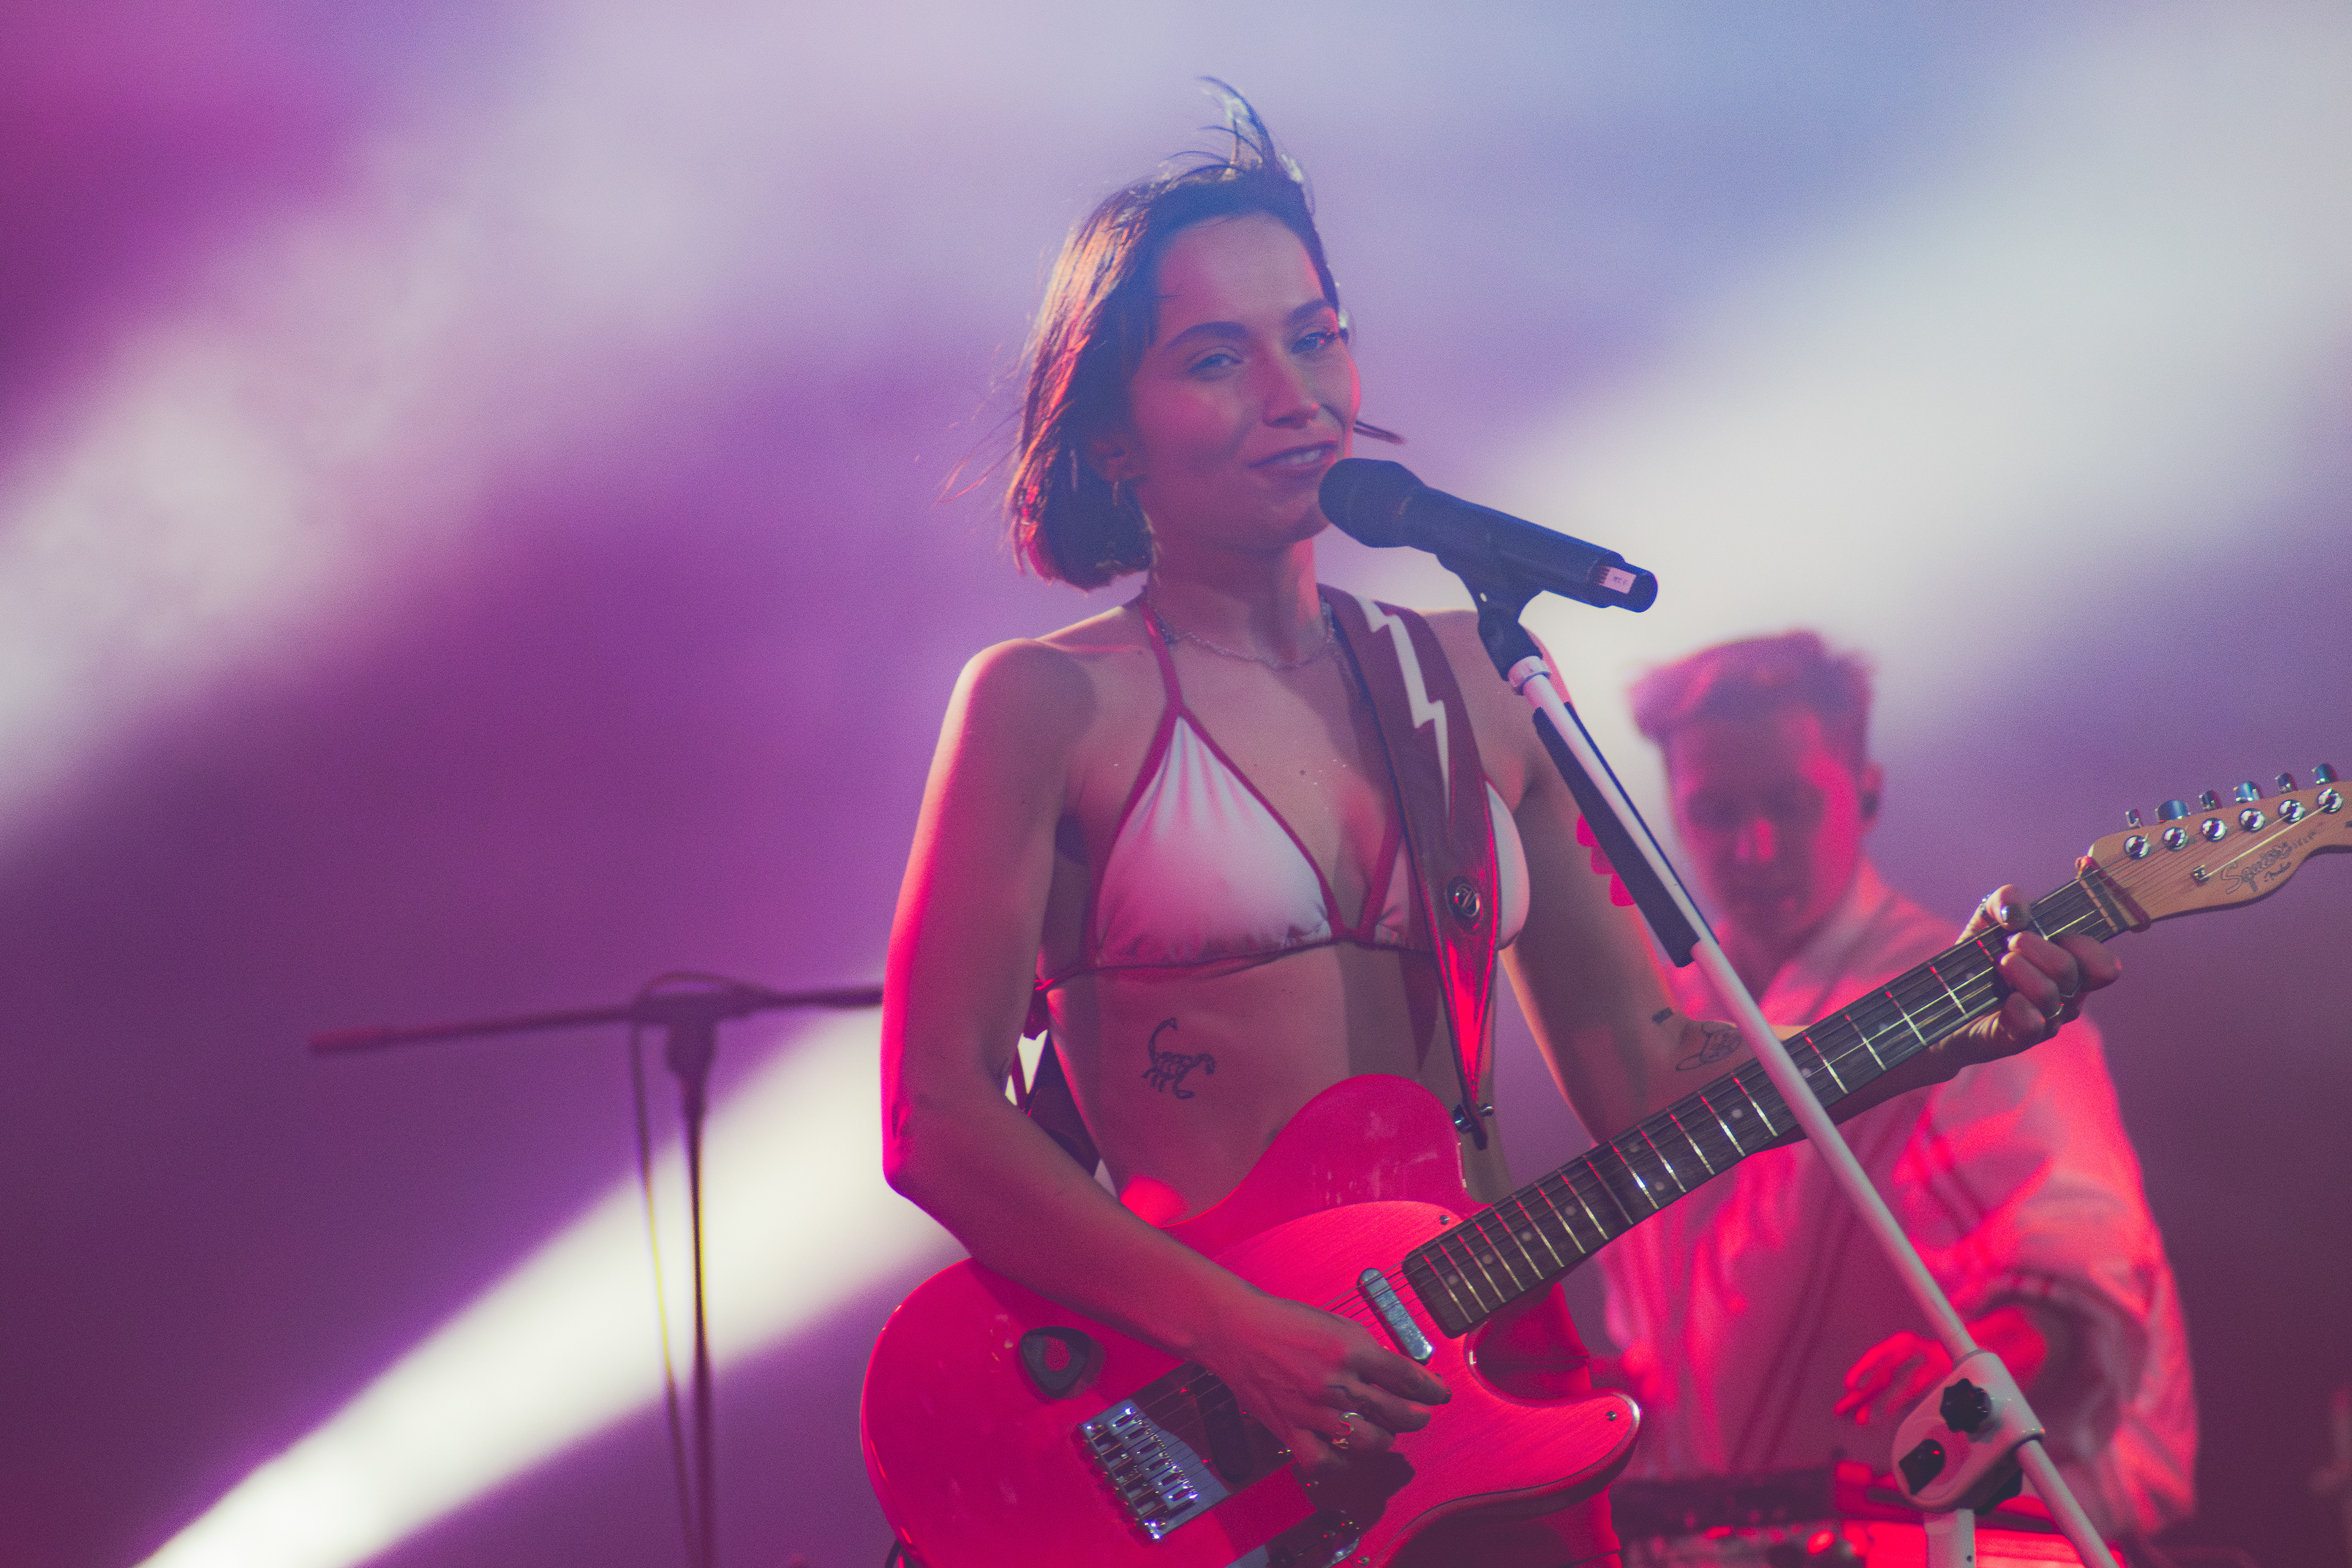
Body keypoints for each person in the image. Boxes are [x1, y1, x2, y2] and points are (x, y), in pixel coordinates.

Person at [878, 89, 2114, 1568]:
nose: (1294, 391)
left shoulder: (1471, 680)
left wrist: (1944, 1021)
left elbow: (1644, 1070)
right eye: (1217, 357)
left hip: (1467, 1399)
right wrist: (1236, 1330)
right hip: (1199, 1425)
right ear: (1111, 436)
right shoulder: (1044, 703)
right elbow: (933, 1115)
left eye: (1317, 336)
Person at [1593, 631, 2196, 1557]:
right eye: (1715, 812)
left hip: (1971, 1540)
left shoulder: (1964, 997)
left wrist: (1977, 1378)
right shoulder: (1660, 1029)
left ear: (1866, 793)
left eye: (1789, 804)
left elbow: (2082, 1275)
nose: (1755, 848)